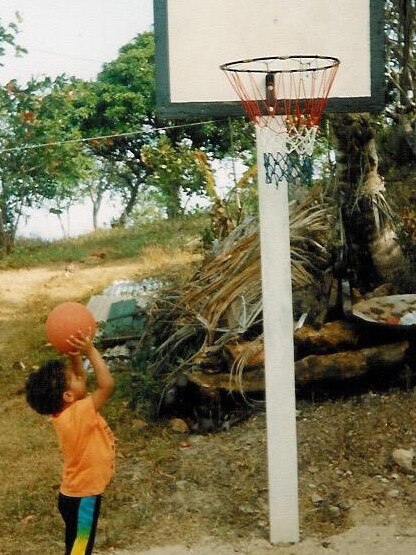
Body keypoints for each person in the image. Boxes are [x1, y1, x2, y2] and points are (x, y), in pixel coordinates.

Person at [25, 331, 115, 555]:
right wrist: (90, 351)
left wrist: (75, 355)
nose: (79, 376)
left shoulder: (67, 412)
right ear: (67, 395)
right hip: (83, 497)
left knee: (77, 546)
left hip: (75, 495)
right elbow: (107, 386)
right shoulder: (77, 414)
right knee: (80, 549)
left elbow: (81, 378)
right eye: (74, 377)